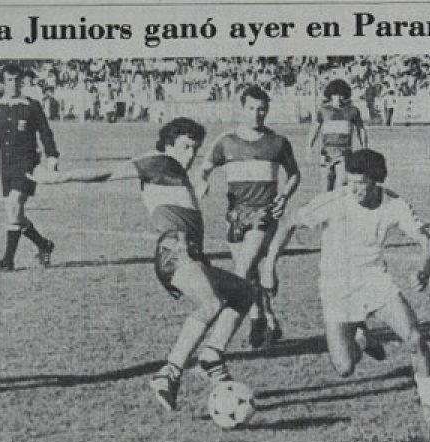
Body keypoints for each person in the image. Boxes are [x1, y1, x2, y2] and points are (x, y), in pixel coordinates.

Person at [30, 118, 254, 413]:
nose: (190, 155)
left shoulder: (174, 170)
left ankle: (211, 355)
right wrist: (60, 178)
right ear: (169, 144)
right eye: (185, 147)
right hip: (175, 250)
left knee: (245, 292)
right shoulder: (159, 161)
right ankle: (169, 373)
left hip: (190, 252)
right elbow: (109, 172)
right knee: (211, 303)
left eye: (195, 150)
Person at [285, 149, 430, 423]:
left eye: (361, 183)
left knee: (414, 337)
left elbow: (427, 241)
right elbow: (289, 222)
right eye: (350, 181)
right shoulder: (334, 201)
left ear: (376, 180)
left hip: (374, 280)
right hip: (336, 286)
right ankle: (362, 339)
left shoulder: (394, 203)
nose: (354, 189)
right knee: (345, 367)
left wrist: (424, 269)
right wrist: (267, 268)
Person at [200, 86, 301, 348]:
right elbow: (205, 168)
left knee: (242, 271)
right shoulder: (226, 141)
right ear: (241, 108)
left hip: (264, 213)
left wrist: (284, 197)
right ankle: (265, 316)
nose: (257, 114)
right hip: (235, 215)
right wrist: (203, 183)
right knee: (251, 275)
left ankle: (219, 343)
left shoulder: (278, 142)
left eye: (262, 109)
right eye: (252, 109)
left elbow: (294, 174)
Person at [0, 66, 59, 272]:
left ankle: (8, 260)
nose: (13, 84)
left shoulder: (32, 106)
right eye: (9, 80)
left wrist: (52, 156)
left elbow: (46, 133)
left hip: (27, 164)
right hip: (6, 167)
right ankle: (43, 244)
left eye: (17, 80)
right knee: (14, 213)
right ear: (3, 82)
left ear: (22, 82)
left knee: (15, 203)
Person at [307, 79, 367, 192]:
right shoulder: (324, 111)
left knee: (341, 185)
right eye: (335, 95)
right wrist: (309, 147)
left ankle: (339, 209)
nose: (338, 98)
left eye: (341, 95)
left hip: (344, 153)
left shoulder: (352, 111)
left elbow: (361, 129)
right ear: (330, 95)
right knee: (325, 188)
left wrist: (364, 147)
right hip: (326, 153)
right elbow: (314, 128)